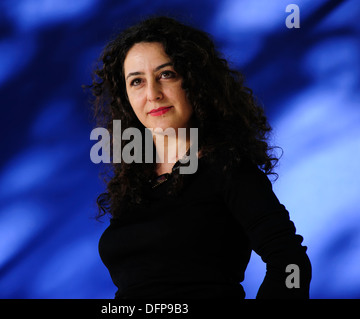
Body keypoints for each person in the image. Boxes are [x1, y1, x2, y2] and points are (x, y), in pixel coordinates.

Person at [88, 16, 311, 299]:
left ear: (194, 81)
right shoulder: (134, 183)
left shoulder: (227, 168)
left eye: (166, 74)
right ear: (126, 98)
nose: (152, 94)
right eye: (136, 82)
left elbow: (291, 263)